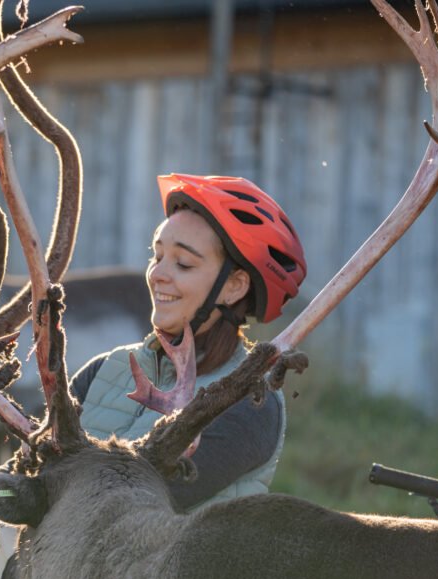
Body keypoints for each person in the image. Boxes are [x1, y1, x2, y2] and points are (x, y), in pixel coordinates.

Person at [70, 173, 307, 512]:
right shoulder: (103, 371)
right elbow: (27, 483)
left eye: (182, 263)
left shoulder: (251, 402)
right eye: (157, 256)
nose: (157, 274)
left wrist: (42, 487)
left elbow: (140, 501)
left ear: (235, 286)